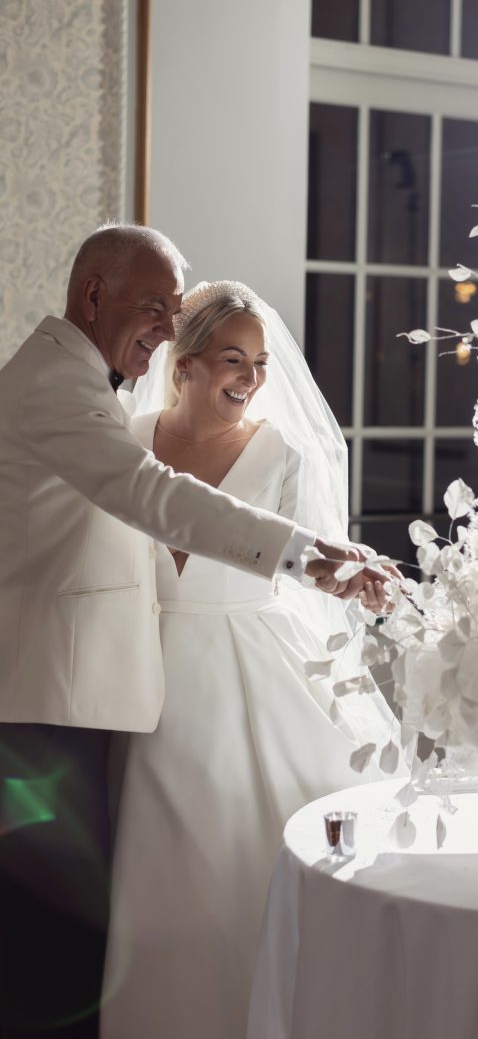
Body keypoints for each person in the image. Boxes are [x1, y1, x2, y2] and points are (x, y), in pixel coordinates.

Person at [0, 226, 387, 1039]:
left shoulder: (82, 383)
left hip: (112, 694)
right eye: (153, 309)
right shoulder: (59, 387)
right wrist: (307, 556)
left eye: (176, 313)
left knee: (95, 926)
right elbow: (151, 495)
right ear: (94, 295)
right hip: (46, 704)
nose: (168, 331)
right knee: (53, 942)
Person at [101, 281, 398, 1039]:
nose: (253, 377)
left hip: (251, 665)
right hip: (146, 674)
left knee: (247, 866)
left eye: (261, 363)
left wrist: (352, 581)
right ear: (185, 364)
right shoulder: (127, 443)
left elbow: (312, 565)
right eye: (234, 359)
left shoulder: (282, 451)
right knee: (164, 880)